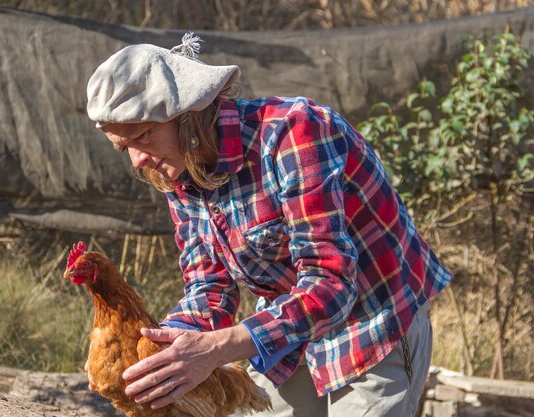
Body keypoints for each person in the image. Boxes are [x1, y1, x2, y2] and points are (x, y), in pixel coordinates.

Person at [85, 33, 452, 417]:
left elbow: (330, 283)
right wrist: (153, 350)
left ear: (188, 113)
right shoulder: (178, 168)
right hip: (290, 322)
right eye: (124, 146)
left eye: (143, 135)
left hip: (374, 315)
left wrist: (216, 348)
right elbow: (209, 288)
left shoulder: (293, 133)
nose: (137, 161)